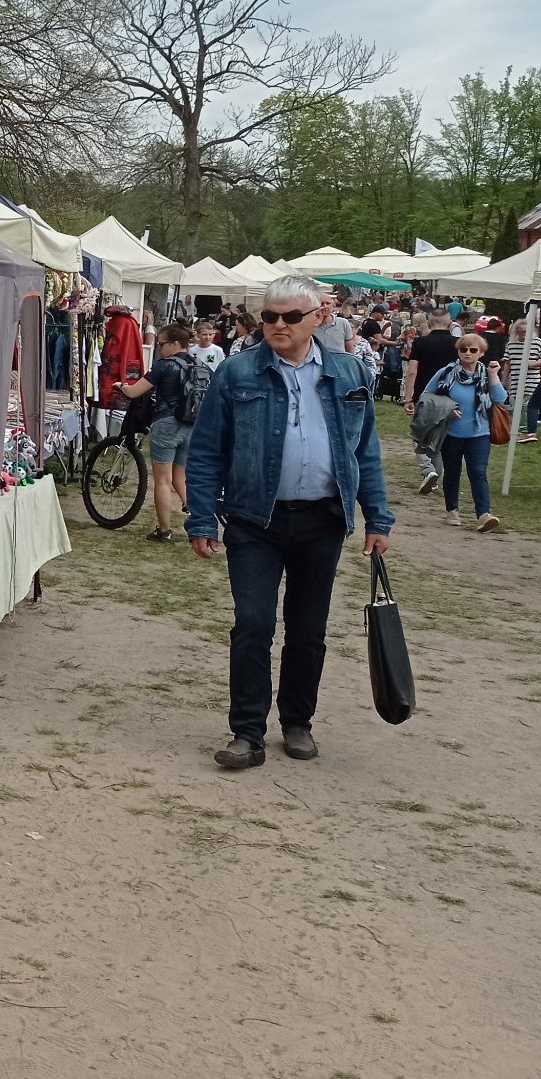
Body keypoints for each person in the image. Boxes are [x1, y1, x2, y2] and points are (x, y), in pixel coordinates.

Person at [184, 274, 393, 771]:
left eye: (290, 317)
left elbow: (365, 452)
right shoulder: (237, 374)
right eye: (270, 316)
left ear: (317, 318)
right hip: (254, 520)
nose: (278, 325)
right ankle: (247, 732)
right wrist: (200, 518)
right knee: (253, 624)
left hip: (321, 519)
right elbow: (207, 450)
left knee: (307, 629)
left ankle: (297, 721)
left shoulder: (348, 374)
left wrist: (377, 516)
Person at [121, 323, 197, 541]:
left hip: (166, 424)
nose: (159, 348)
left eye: (161, 344)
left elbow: (135, 391)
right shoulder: (198, 364)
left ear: (174, 344)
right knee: (180, 478)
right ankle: (198, 521)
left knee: (162, 480)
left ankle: (164, 531)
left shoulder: (164, 365)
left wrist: (122, 387)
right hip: (191, 425)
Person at [422, 335, 506, 532]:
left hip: (479, 433)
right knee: (452, 472)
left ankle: (483, 515)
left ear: (482, 353)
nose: (467, 353)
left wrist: (494, 376)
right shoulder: (446, 372)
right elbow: (427, 396)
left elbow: (501, 398)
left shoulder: (486, 373)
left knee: (478, 472)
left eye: (473, 350)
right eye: (464, 349)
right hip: (451, 433)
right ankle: (452, 510)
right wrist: (446, 408)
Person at [401, 309, 459, 493]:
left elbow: (412, 371)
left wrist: (408, 397)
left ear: (429, 323)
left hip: (424, 396)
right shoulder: (458, 344)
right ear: (450, 324)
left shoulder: (420, 342)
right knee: (440, 438)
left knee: (419, 434)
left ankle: (428, 470)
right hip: (450, 397)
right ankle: (434, 476)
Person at [311, 291, 354, 357]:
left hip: (339, 363)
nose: (325, 306)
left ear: (333, 306)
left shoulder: (343, 323)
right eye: (321, 304)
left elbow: (350, 351)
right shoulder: (310, 325)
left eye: (327, 303)